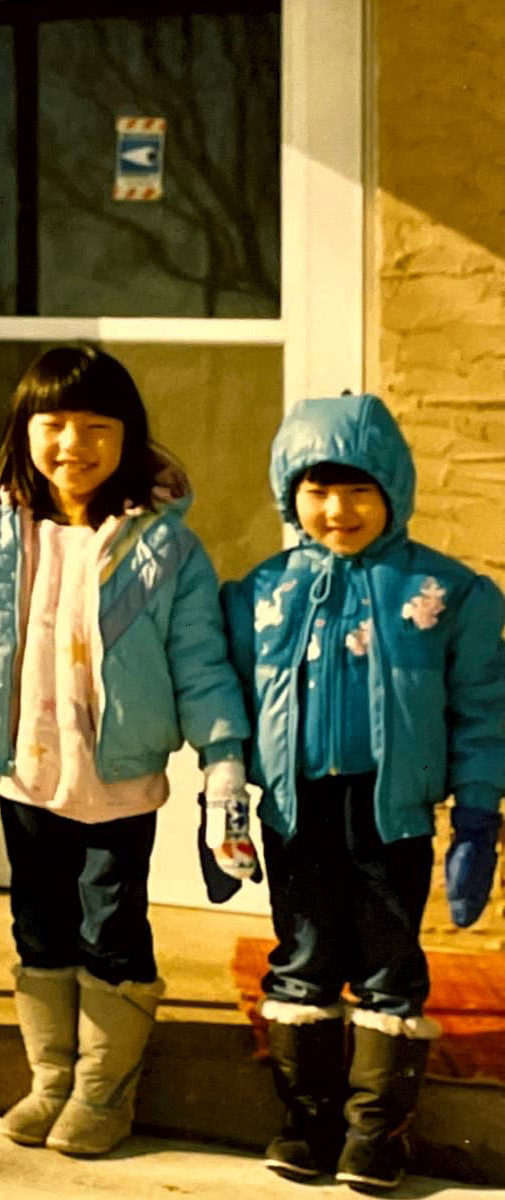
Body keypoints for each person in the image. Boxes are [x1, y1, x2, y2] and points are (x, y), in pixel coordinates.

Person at [0, 344, 252, 1157]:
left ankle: (104, 1090)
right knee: (38, 926)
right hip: (26, 779)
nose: (74, 444)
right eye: (54, 424)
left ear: (129, 436)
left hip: (118, 784)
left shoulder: (167, 549)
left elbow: (201, 662)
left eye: (98, 426)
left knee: (112, 929)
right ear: (23, 432)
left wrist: (224, 762)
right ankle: (51, 1078)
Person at [222, 393, 505, 1191]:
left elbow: (482, 707)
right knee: (303, 957)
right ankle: (307, 1122)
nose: (338, 510)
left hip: (392, 814)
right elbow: (227, 704)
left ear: (393, 492)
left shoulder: (448, 594)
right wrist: (225, 804)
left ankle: (376, 1132)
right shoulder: (262, 594)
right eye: (317, 490)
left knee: (388, 964)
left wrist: (478, 812)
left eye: (358, 490)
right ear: (291, 495)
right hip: (295, 810)